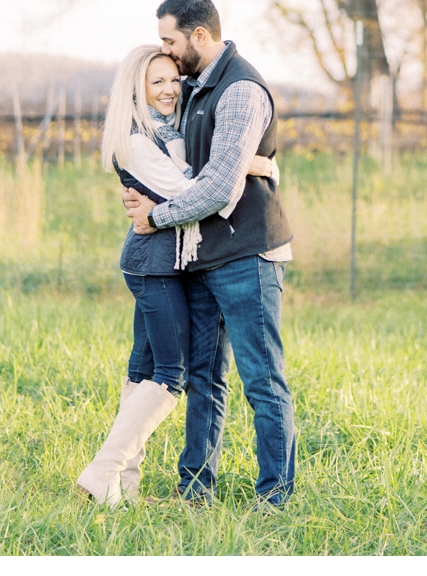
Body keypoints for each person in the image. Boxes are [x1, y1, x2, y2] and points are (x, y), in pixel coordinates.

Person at [75, 44, 276, 506]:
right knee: (172, 373)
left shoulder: (169, 130)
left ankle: (124, 484)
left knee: (142, 369)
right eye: (156, 83)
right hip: (154, 265)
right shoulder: (139, 140)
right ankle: (104, 471)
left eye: (173, 80)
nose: (169, 90)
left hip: (161, 262)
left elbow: (199, 175)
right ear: (137, 91)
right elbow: (195, 191)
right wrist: (254, 164)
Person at [121, 0, 297, 507]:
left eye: (170, 40)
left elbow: (220, 185)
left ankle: (275, 498)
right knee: (203, 379)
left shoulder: (241, 90)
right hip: (202, 254)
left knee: (262, 379)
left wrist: (155, 217)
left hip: (248, 255)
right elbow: (185, 165)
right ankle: (195, 489)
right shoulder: (195, 87)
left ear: (199, 35)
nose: (167, 52)